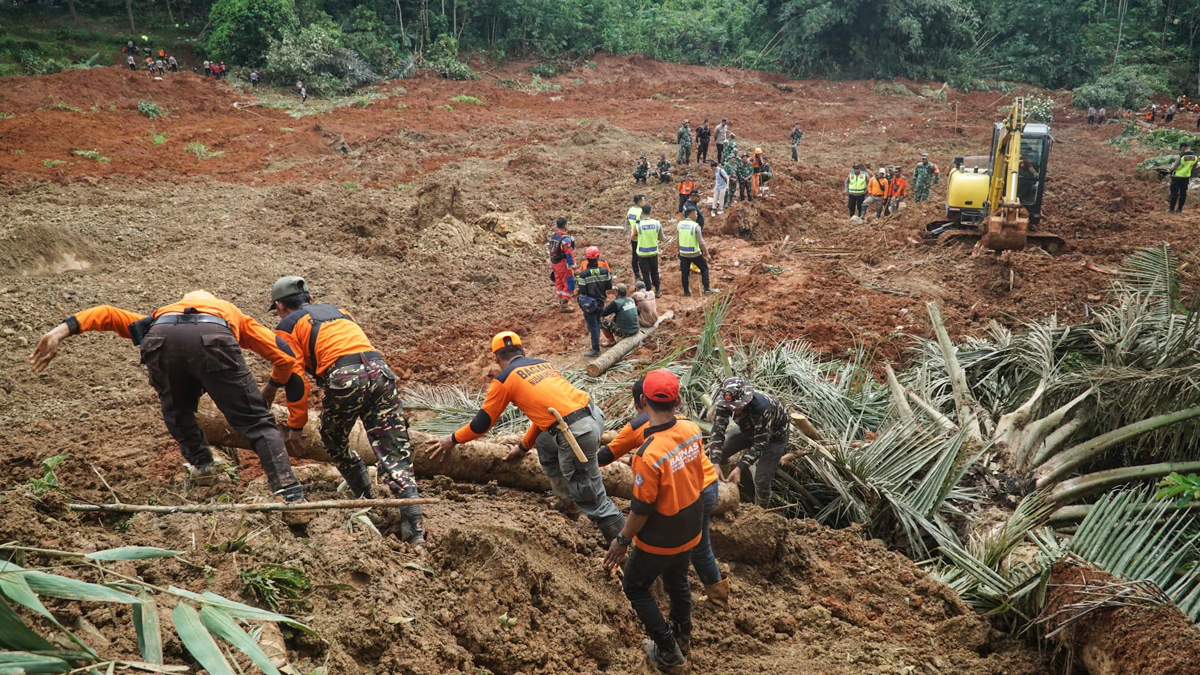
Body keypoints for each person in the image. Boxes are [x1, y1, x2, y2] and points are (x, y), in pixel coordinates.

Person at [29, 291, 310, 510]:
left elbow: (106, 314)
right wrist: (272, 387)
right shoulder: (231, 314)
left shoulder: (160, 316)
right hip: (214, 337)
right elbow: (284, 355)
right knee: (259, 424)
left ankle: (203, 468)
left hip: (161, 338)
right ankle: (289, 493)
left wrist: (58, 332)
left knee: (178, 411)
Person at [265, 277, 425, 543]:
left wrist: (296, 426)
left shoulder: (285, 326)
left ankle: (366, 498)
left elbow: (295, 381)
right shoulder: (340, 312)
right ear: (310, 299)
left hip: (345, 377)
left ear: (280, 305)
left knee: (334, 438)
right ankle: (414, 525)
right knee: (394, 450)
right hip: (381, 373)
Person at [428, 332, 626, 542]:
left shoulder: (504, 379)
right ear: (523, 351)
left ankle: (625, 547)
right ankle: (566, 502)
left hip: (575, 433)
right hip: (593, 417)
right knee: (544, 442)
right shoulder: (543, 364)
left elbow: (482, 424)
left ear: (496, 359)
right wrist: (523, 447)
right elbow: (547, 418)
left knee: (592, 498)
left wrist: (452, 439)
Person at [603, 369, 713, 671]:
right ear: (677, 400)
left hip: (662, 535)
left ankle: (667, 650)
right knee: (677, 582)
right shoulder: (691, 429)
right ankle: (682, 635)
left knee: (635, 587)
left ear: (642, 400)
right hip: (692, 524)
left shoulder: (649, 454)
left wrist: (622, 540)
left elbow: (641, 509)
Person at [597, 378, 728, 610]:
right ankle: (714, 594)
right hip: (705, 483)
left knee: (689, 543)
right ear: (675, 401)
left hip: (690, 489)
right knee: (696, 544)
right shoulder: (684, 422)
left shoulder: (638, 426)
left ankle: (710, 599)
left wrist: (581, 458)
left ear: (641, 402)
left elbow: (606, 457)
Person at [707, 377, 790, 507]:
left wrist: (740, 467)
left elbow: (760, 443)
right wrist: (715, 463)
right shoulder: (724, 403)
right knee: (719, 453)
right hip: (746, 429)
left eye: (737, 406)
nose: (733, 409)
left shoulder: (762, 407)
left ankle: (759, 512)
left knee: (762, 479)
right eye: (731, 407)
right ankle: (725, 485)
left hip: (774, 437)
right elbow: (717, 432)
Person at [575, 246, 613, 356]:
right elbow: (608, 286)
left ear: (587, 259)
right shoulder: (604, 271)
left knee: (593, 325)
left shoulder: (584, 274)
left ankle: (595, 349)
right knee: (597, 322)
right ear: (598, 258)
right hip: (601, 301)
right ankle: (597, 344)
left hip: (590, 303)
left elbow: (582, 289)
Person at [678, 205, 716, 296]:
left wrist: (678, 250)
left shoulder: (680, 224)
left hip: (683, 253)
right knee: (704, 269)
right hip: (695, 253)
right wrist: (706, 254)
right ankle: (706, 289)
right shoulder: (695, 226)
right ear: (691, 214)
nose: (696, 216)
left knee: (685, 272)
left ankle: (686, 291)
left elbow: (677, 239)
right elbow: (701, 242)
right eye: (695, 214)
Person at [547, 217, 576, 312]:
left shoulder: (553, 236)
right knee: (569, 283)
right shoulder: (565, 240)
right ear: (565, 226)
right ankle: (564, 305)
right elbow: (569, 254)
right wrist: (573, 266)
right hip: (563, 264)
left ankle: (560, 301)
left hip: (554, 263)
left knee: (559, 282)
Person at [635, 203, 663, 298]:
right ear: (651, 211)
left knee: (645, 273)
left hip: (642, 253)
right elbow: (661, 237)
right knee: (654, 271)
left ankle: (648, 290)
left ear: (642, 212)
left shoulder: (638, 224)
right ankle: (658, 290)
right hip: (653, 252)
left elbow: (634, 236)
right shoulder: (656, 223)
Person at [1168, 142, 1197, 213]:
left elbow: (1174, 167)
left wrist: (1170, 169)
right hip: (1186, 176)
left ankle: (1171, 209)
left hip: (1177, 176)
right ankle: (1180, 209)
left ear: (1183, 147)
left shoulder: (1181, 156)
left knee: (1174, 192)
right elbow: (1194, 167)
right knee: (1183, 192)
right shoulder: (1195, 156)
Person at [627, 195, 644, 282]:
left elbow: (627, 223)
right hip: (641, 237)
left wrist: (629, 234)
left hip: (633, 236)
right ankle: (644, 274)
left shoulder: (630, 210)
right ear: (640, 201)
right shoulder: (641, 211)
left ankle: (636, 274)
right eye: (643, 200)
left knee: (634, 256)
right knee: (642, 256)